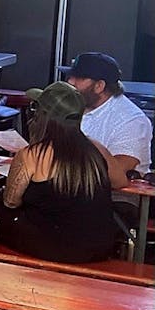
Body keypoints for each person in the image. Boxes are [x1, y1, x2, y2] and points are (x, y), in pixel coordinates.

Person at [0, 81, 127, 263]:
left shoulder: (32, 154)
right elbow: (120, 182)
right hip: (99, 246)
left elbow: (11, 202)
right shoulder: (96, 148)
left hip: (54, 246)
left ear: (43, 116)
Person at [61, 51, 153, 224]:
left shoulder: (132, 120)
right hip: (67, 189)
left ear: (99, 86)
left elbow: (118, 173)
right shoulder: (71, 107)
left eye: (78, 78)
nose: (70, 82)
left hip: (113, 200)